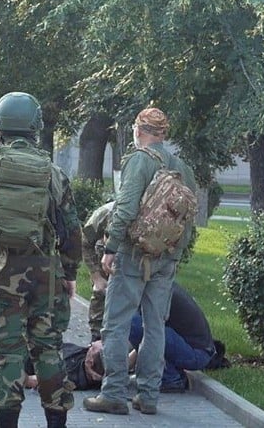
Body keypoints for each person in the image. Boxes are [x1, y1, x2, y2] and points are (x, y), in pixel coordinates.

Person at [0, 92, 82, 428]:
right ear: (35, 127)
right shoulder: (53, 171)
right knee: (48, 350)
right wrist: (70, 272)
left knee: (8, 354)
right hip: (45, 274)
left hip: (1, 273)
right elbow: (72, 230)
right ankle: (56, 422)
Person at [84, 107, 197, 417]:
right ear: (163, 134)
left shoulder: (139, 160)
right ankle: (148, 396)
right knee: (155, 327)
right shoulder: (182, 167)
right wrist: (173, 253)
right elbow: (189, 218)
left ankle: (114, 394)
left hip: (134, 256)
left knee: (115, 326)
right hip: (165, 259)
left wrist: (110, 247)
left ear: (138, 130)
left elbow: (125, 208)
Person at [129, 282, 221, 393]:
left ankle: (171, 378)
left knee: (133, 323)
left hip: (197, 354)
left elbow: (149, 333)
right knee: (137, 324)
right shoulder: (157, 285)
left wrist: (125, 363)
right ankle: (170, 373)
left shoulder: (157, 292)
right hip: (191, 348)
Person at [82, 201, 115, 341]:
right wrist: (96, 276)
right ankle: (95, 342)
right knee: (101, 299)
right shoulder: (106, 212)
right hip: (106, 268)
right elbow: (84, 240)